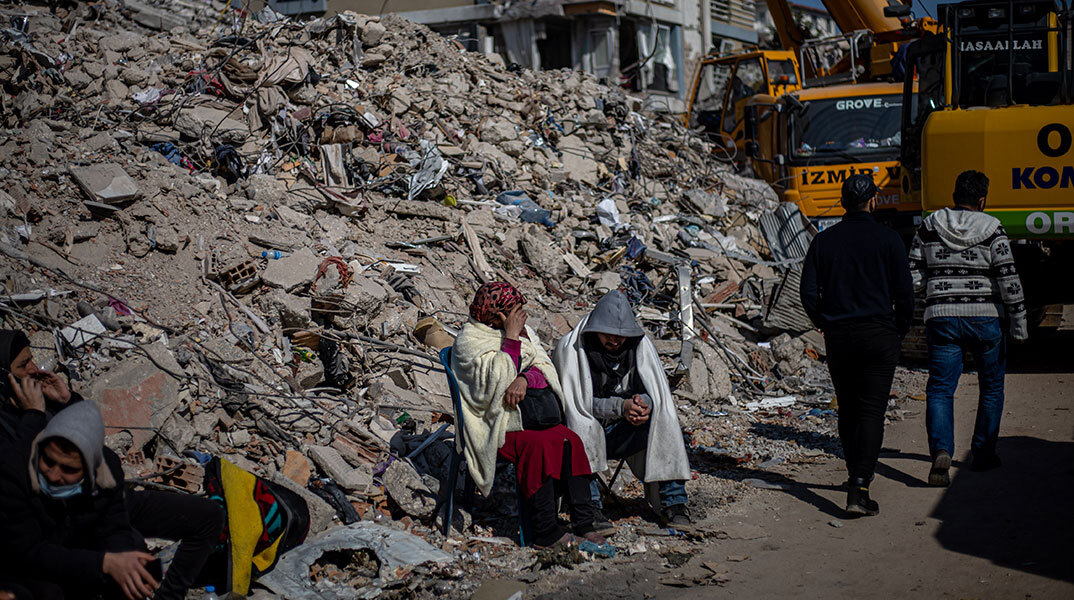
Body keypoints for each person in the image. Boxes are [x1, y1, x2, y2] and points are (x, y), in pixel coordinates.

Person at [0, 401, 224, 600]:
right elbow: (28, 552)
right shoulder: (14, 474)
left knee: (137, 557)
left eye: (68, 469)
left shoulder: (107, 473)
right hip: (35, 554)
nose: (53, 474)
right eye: (48, 461)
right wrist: (105, 563)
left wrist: (126, 564)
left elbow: (113, 523)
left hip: (81, 524)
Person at [451, 282, 604, 548]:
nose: (523, 318)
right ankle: (545, 531)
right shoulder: (469, 341)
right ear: (497, 315)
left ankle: (584, 523)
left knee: (571, 440)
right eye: (516, 312)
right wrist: (510, 339)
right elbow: (491, 388)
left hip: (529, 416)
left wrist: (523, 378)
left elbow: (543, 366)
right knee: (540, 446)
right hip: (495, 422)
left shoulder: (526, 334)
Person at [800, 174, 914, 517]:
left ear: (844, 201)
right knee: (871, 410)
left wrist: (823, 322)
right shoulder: (889, 239)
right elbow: (905, 294)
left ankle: (855, 477)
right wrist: (899, 330)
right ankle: (860, 486)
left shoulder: (823, 241)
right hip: (880, 335)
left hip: (840, 336)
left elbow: (807, 293)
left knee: (848, 409)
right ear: (873, 200)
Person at [908, 170, 1027, 486]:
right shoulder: (992, 228)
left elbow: (914, 276)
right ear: (983, 199)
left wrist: (930, 288)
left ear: (954, 196)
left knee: (940, 388)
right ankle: (984, 454)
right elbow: (1008, 280)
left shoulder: (930, 225)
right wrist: (1018, 327)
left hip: (942, 317)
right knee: (991, 386)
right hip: (985, 318)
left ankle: (941, 452)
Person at [555, 291, 694, 532]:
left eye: (620, 336)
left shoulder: (638, 348)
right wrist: (621, 407)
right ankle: (590, 507)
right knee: (579, 431)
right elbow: (576, 404)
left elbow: (654, 389)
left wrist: (644, 404)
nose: (615, 341)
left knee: (664, 422)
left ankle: (674, 503)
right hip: (589, 432)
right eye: (608, 334)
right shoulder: (573, 350)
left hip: (622, 431)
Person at [0, 329, 82, 443]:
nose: (34, 369)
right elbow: (20, 456)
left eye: (31, 360)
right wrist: (33, 415)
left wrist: (66, 400)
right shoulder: (4, 422)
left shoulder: (37, 396)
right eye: (23, 365)